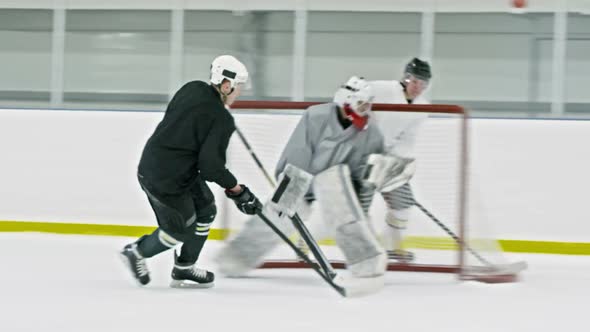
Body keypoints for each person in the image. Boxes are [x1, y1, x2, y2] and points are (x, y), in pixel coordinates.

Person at [216, 76, 388, 282]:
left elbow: (364, 169)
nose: (365, 110)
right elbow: (298, 151)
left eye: (368, 105)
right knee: (276, 217)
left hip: (335, 184)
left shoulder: (371, 133)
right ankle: (236, 258)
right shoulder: (316, 116)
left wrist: (371, 179)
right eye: (361, 104)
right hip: (301, 177)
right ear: (346, 99)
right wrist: (289, 189)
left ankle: (366, 263)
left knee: (345, 215)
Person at [120, 55, 262, 288]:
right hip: (165, 179)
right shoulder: (221, 118)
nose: (239, 93)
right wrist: (239, 191)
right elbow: (211, 168)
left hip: (163, 165)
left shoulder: (192, 88)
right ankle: (137, 252)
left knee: (206, 210)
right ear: (226, 85)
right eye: (239, 88)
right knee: (178, 232)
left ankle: (184, 267)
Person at [368, 57, 432, 262]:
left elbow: (406, 141)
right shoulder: (382, 89)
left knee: (403, 205)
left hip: (387, 163)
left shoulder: (422, 107)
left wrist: (398, 165)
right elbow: (351, 99)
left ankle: (391, 247)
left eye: (423, 83)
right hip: (361, 158)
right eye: (415, 81)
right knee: (353, 207)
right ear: (406, 78)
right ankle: (307, 243)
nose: (418, 87)